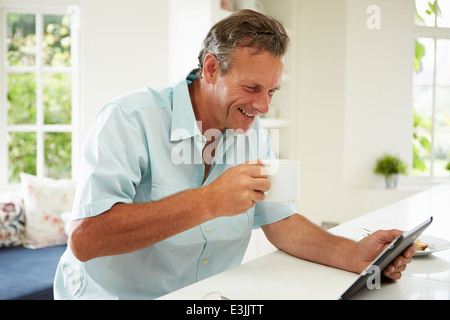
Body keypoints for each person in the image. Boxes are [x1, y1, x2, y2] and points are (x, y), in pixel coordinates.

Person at [54, 9, 416, 300]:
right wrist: (208, 201)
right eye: (251, 87)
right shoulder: (129, 119)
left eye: (272, 91)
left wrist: (354, 254)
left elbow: (279, 220)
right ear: (211, 68)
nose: (263, 106)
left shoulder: (251, 132)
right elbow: (86, 240)